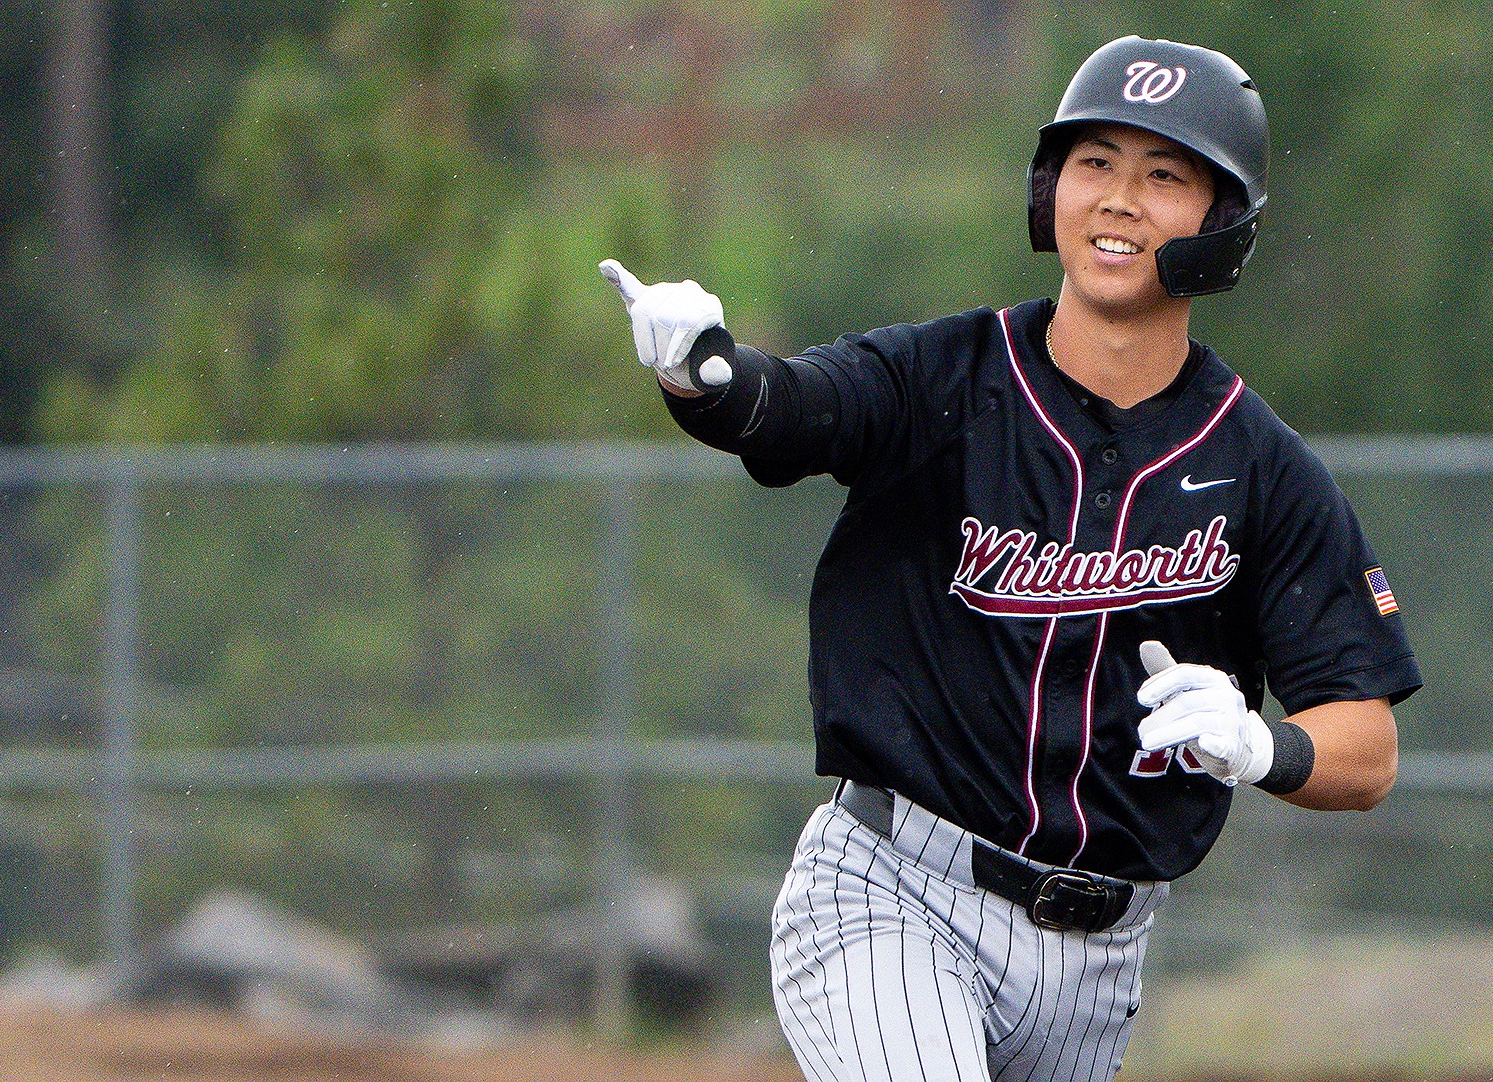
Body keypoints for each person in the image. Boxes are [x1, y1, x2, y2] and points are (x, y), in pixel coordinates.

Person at [600, 34, 1420, 1082]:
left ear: (1222, 223)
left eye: (1164, 175)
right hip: (893, 892)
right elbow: (798, 409)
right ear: (1050, 189)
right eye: (1095, 163)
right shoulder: (944, 377)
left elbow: (1369, 746)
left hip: (1101, 959)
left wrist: (1266, 748)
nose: (1119, 199)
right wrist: (706, 376)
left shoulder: (1259, 464)